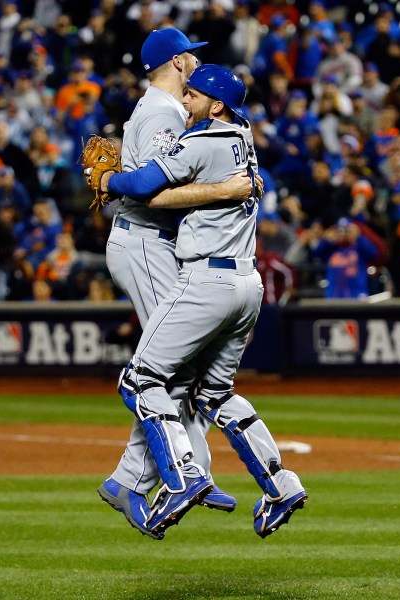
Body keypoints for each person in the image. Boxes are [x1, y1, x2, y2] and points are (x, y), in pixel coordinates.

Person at [100, 64, 307, 538]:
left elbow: (141, 186)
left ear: (216, 105)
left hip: (206, 282)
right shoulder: (244, 135)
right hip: (246, 284)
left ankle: (182, 476)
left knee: (138, 380)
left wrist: (111, 179)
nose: (185, 101)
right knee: (214, 394)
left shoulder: (201, 140)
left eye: (193, 95)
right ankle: (280, 485)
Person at [93, 30, 255, 540]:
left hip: (151, 243)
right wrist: (227, 189)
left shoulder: (160, 110)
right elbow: (152, 194)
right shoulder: (164, 113)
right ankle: (147, 478)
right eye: (193, 54)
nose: (198, 61)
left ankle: (168, 474)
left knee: (175, 365)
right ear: (179, 61)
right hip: (143, 241)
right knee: (164, 368)